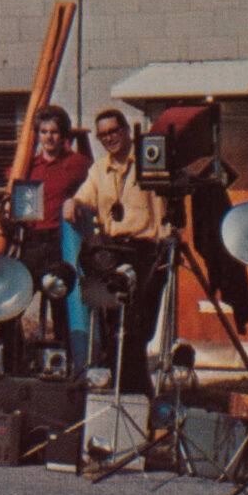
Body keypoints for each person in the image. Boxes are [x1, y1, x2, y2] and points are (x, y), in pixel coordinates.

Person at [63, 108, 168, 394]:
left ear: (125, 130)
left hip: (146, 250)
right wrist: (72, 203)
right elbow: (83, 197)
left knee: (137, 328)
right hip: (113, 252)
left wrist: (165, 242)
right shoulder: (98, 170)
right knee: (115, 327)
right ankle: (128, 390)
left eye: (114, 131)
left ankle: (134, 392)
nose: (109, 138)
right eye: (103, 134)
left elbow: (162, 205)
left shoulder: (147, 160)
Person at [19, 105, 91, 346]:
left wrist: (76, 200)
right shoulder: (28, 166)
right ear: (37, 135)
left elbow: (92, 191)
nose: (49, 137)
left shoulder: (78, 163)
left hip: (61, 242)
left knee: (61, 307)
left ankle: (63, 364)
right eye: (44, 132)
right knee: (13, 300)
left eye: (55, 132)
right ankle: (14, 360)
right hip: (31, 242)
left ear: (63, 136)